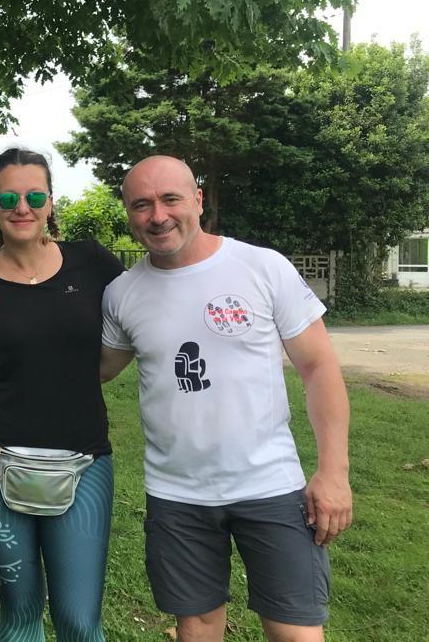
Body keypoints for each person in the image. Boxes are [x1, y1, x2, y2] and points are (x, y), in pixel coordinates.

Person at [100, 155, 352, 642]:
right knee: (195, 628)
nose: (158, 216)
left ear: (198, 200)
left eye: (170, 199)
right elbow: (98, 370)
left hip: (270, 486)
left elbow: (319, 366)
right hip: (177, 495)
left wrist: (334, 473)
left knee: (295, 630)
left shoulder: (260, 266)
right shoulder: (122, 293)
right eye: (141, 205)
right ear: (129, 214)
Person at [0, 147, 125, 642]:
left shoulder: (92, 263)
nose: (23, 206)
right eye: (10, 196)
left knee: (80, 620)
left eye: (35, 195)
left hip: (83, 456)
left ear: (50, 202)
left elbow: (145, 316)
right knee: (20, 614)